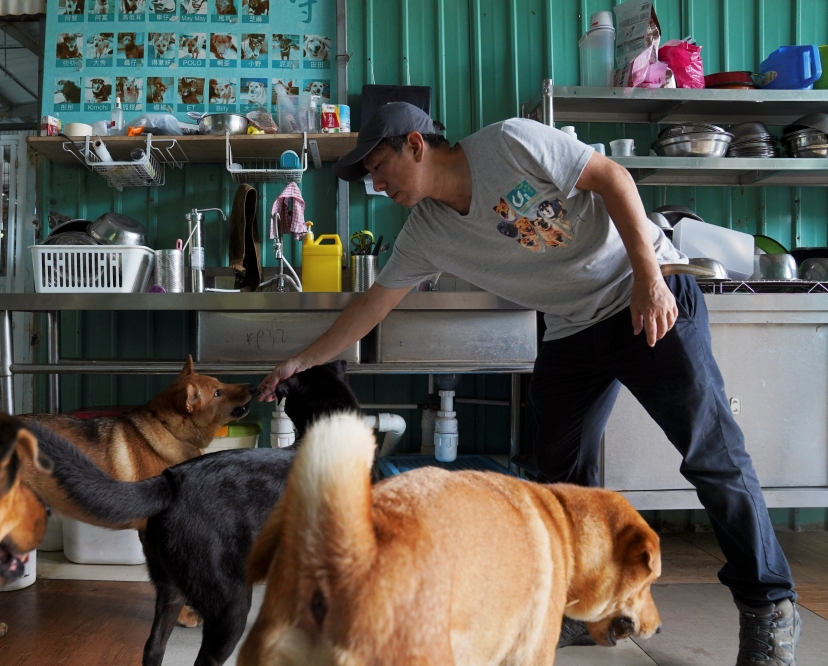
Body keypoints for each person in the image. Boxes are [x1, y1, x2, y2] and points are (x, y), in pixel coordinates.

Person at [256, 102, 801, 665]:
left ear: (415, 145)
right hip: (572, 330)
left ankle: (771, 608)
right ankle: (574, 607)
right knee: (561, 475)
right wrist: (304, 360)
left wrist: (648, 277)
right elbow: (373, 305)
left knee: (710, 454)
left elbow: (612, 178)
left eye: (377, 164)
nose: (375, 180)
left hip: (642, 296)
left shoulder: (510, 144)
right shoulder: (425, 232)